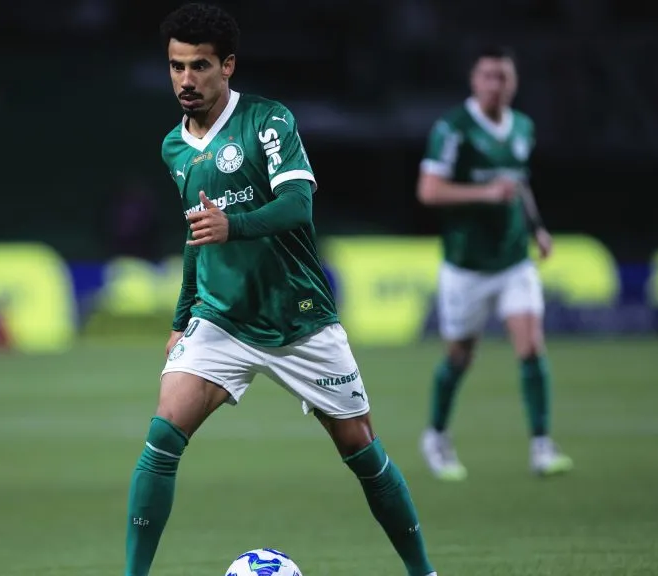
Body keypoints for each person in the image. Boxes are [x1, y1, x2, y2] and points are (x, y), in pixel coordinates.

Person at [123, 4, 437, 576]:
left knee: (362, 451)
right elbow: (199, 235)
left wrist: (233, 225)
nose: (185, 81)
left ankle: (424, 572)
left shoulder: (269, 122)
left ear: (229, 67)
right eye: (176, 67)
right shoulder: (174, 147)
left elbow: (298, 205)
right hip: (222, 320)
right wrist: (180, 318)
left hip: (300, 320)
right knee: (162, 438)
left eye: (199, 66)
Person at [416, 46, 574, 481]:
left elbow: (518, 183)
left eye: (503, 77)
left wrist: (537, 227)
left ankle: (542, 444)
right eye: (488, 76)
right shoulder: (454, 129)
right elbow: (429, 191)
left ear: (514, 82)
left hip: (513, 261)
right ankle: (436, 436)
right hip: (466, 265)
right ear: (474, 80)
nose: (496, 85)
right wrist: (485, 194)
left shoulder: (523, 127)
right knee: (460, 357)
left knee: (530, 345)